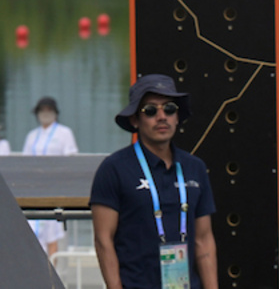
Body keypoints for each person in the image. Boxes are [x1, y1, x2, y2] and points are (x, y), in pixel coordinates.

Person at [89, 74, 218, 289]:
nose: (161, 117)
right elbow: (103, 240)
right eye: (150, 110)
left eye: (169, 109)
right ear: (135, 120)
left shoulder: (195, 168)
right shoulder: (113, 169)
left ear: (177, 117)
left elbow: (203, 240)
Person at [24, 96, 79, 259]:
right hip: (34, 188)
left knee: (53, 230)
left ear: (55, 113)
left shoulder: (64, 133)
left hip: (55, 187)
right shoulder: (32, 135)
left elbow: (71, 159)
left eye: (48, 110)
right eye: (42, 111)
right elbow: (25, 161)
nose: (45, 114)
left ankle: (52, 269)